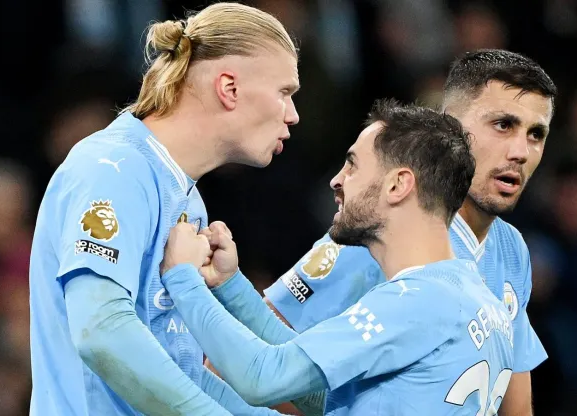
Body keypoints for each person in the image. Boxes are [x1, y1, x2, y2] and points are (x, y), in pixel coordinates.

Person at [28, 3, 300, 415]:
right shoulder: (113, 168)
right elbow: (100, 330)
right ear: (229, 87)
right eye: (285, 93)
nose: (293, 115)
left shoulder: (185, 196)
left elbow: (180, 371)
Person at [159, 100, 515, 415]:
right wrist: (230, 286)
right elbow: (321, 398)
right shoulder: (477, 298)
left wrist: (182, 278)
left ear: (398, 185)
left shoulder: (416, 302)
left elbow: (263, 378)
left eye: (353, 166)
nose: (336, 180)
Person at [262, 49, 557, 415]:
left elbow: (514, 404)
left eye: (536, 134)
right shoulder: (377, 233)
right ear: (450, 128)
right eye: (502, 125)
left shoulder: (512, 251)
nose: (521, 151)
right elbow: (252, 362)